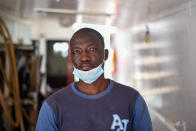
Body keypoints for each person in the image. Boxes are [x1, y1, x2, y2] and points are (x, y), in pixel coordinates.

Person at [36, 28, 153, 131]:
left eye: (92, 49)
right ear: (71, 57)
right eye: (77, 51)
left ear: (106, 54)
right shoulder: (53, 106)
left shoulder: (132, 100)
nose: (84, 57)